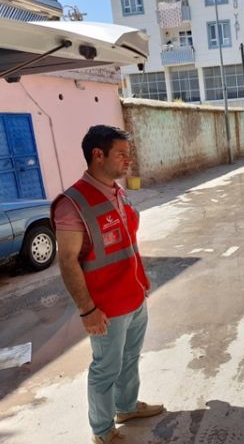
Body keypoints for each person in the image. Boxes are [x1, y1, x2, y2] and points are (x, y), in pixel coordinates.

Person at [52, 125, 164, 444]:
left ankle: (125, 407)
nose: (129, 160)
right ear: (98, 155)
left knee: (129, 359)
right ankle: (102, 431)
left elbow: (126, 243)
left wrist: (141, 282)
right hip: (105, 308)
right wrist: (87, 310)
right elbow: (67, 261)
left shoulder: (117, 191)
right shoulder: (72, 203)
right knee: (106, 369)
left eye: (129, 154)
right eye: (122, 154)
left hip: (133, 296)